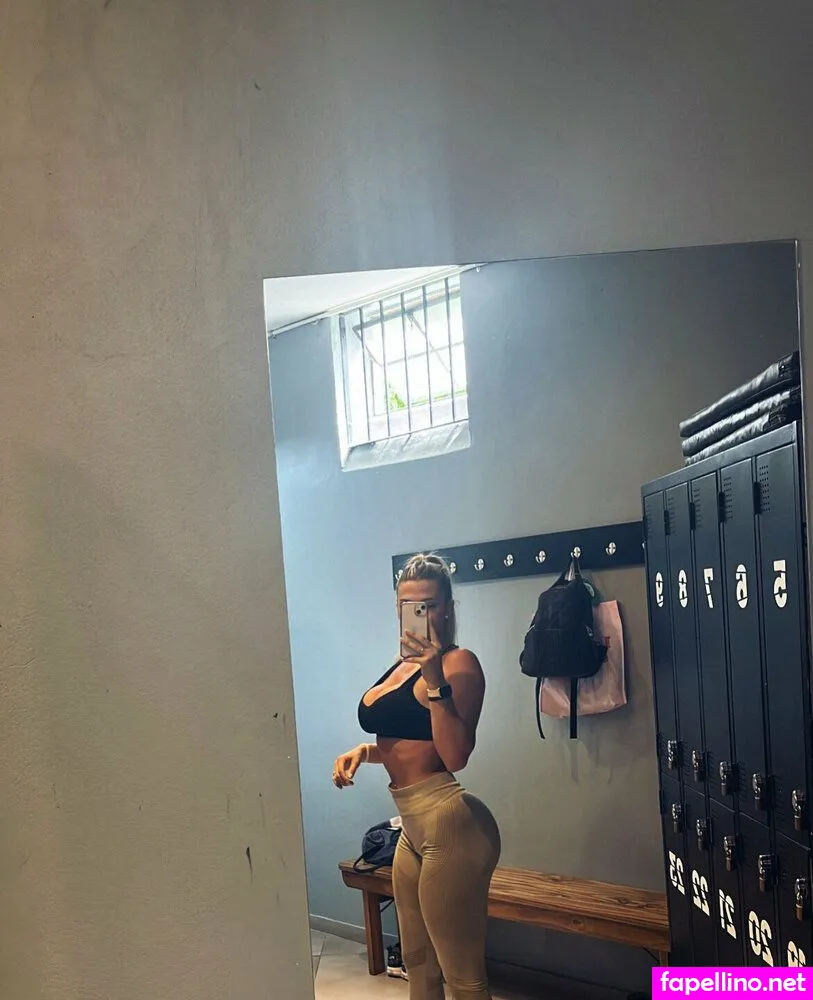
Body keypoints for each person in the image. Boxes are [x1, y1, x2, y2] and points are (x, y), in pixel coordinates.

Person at [332, 553, 501, 1000]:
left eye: (430, 603)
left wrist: (434, 677)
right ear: (398, 609)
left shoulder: (459, 664)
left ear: (447, 608)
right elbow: (407, 741)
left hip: (449, 822)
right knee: (417, 963)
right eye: (409, 605)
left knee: (462, 975)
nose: (420, 613)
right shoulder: (398, 667)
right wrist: (364, 752)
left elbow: (454, 755)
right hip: (411, 828)